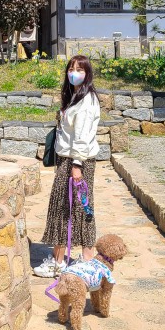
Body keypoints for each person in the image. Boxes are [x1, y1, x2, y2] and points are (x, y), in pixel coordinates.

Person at [33, 55, 101, 278]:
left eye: (79, 69)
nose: (74, 73)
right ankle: (85, 257)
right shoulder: (75, 97)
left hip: (76, 161)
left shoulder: (86, 101)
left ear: (87, 73)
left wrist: (77, 165)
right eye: (71, 68)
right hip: (69, 160)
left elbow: (82, 136)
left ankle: (59, 261)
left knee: (67, 208)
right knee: (78, 207)